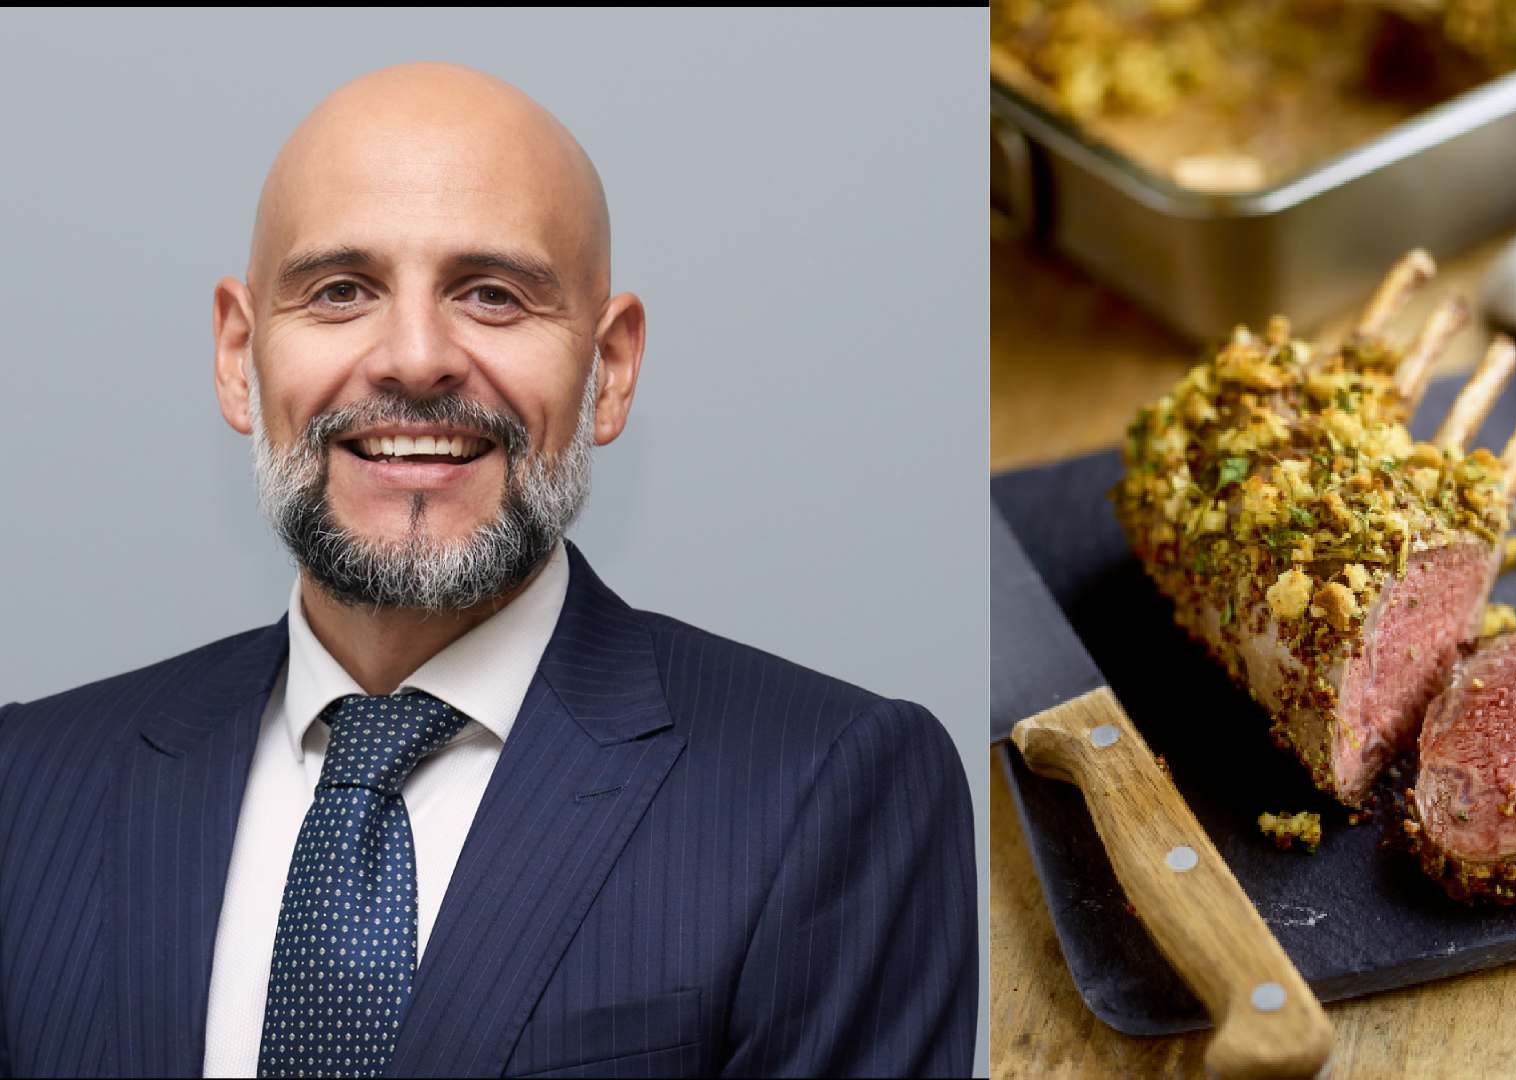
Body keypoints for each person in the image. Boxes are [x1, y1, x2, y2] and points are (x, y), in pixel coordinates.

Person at [0, 61, 976, 1079]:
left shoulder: (826, 792)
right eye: (340, 292)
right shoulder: (25, 788)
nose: (416, 358)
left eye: (494, 296)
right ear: (239, 355)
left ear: (612, 371)